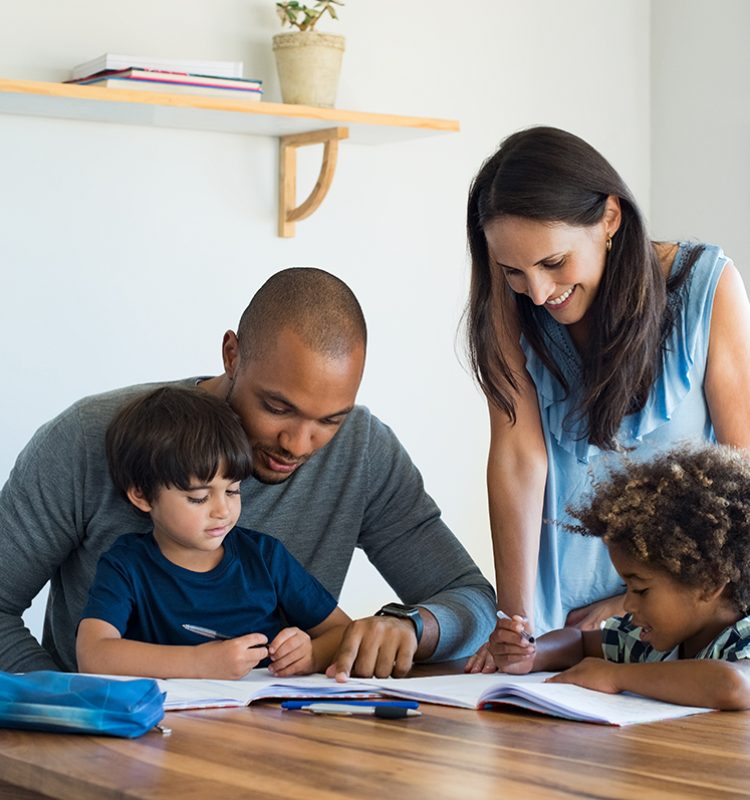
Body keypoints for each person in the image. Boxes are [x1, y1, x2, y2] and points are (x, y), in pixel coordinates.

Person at [0, 267, 495, 676]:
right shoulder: (89, 439)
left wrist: (413, 627)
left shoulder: (363, 451)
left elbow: (471, 601)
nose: (299, 445)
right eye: (277, 407)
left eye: (329, 420)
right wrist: (63, 712)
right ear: (232, 355)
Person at [463, 126, 750, 672]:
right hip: (559, 625)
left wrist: (634, 600)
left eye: (553, 263)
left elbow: (743, 471)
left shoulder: (705, 286)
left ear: (610, 218)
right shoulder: (511, 304)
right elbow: (519, 459)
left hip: (683, 615)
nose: (539, 293)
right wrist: (517, 626)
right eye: (513, 272)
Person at [77, 386, 351, 680]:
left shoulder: (265, 557)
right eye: (199, 498)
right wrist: (198, 663)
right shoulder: (126, 565)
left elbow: (344, 631)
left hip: (265, 719)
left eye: (233, 490)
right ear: (142, 495)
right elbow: (93, 655)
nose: (222, 511)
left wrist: (311, 654)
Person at [490, 445, 750, 710]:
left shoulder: (744, 637)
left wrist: (615, 676)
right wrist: (532, 655)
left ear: (709, 583)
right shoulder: (649, 640)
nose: (627, 606)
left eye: (640, 589)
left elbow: (732, 686)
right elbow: (578, 643)